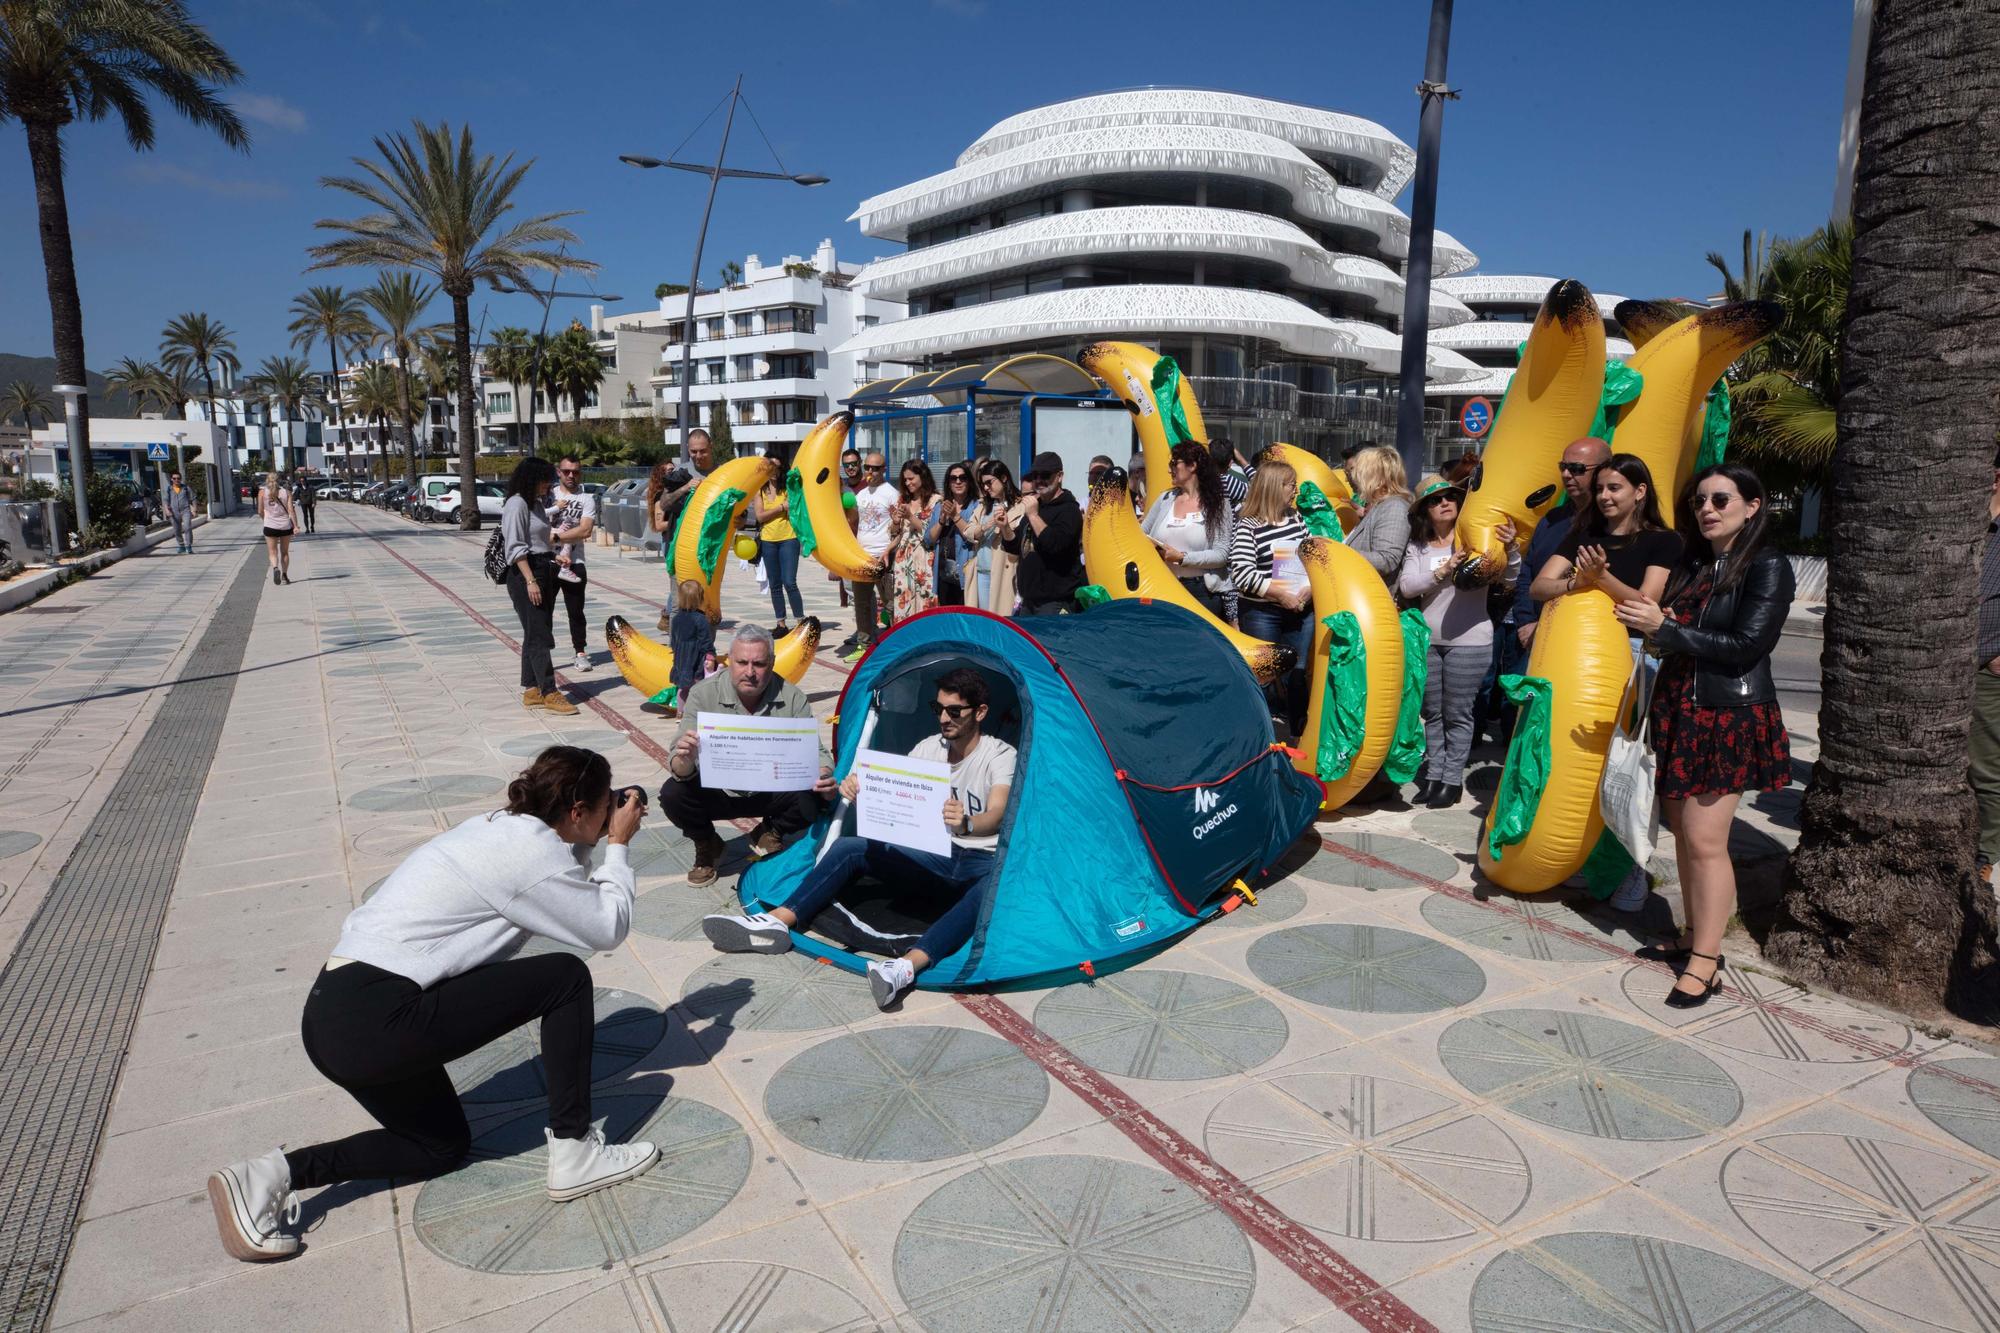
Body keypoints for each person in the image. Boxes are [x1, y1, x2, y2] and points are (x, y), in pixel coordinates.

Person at [205, 748, 657, 1262]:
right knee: (566, 978)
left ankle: (269, 1175)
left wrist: (598, 833)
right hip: (378, 1019)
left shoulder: (502, 828)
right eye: (603, 807)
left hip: (336, 1017)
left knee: (440, 1146)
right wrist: (617, 846)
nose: (610, 816)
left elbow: (558, 884)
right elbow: (604, 927)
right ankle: (576, 1152)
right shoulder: (530, 854)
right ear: (576, 811)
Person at [700, 667, 1014, 1010]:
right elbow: (898, 793)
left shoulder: (1000, 755)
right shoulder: (929, 748)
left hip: (979, 860)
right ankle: (777, 923)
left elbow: (996, 813)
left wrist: (967, 824)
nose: (943, 718)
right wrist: (863, 789)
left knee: (991, 885)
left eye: (954, 711)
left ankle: (905, 967)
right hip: (935, 857)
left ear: (980, 712)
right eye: (937, 708)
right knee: (851, 846)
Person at [1613, 464, 1793, 1008]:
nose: (1707, 509)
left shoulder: (1767, 566)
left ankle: (1708, 963)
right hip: (1679, 709)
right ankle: (1695, 935)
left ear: (1752, 505)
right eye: (1699, 502)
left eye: (1721, 500)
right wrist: (1661, 630)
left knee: (1708, 840)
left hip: (1727, 715)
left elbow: (1745, 645)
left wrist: (1665, 630)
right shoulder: (1696, 563)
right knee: (1685, 835)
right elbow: (1682, 640)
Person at [658, 624, 837, 885]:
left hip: (771, 790)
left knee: (821, 795)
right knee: (673, 794)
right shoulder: (702, 694)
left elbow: (817, 752)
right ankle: (707, 843)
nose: (750, 672)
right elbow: (677, 761)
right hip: (719, 791)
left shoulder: (793, 697)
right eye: (742, 663)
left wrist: (823, 773)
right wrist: (684, 759)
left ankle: (771, 831)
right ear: (730, 661)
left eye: (759, 664)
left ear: (772, 662)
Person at [1399, 477, 1517, 808]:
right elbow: (1408, 587)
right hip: (1429, 641)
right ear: (1425, 511)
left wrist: (1511, 549)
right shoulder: (1418, 547)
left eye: (1451, 497)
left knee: (1459, 713)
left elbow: (1508, 579)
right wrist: (1444, 570)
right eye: (1436, 501)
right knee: (1432, 712)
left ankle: (1451, 781)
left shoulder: (1479, 540)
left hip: (1470, 641)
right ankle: (1434, 776)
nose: (1445, 503)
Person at [1500, 438, 1612, 724]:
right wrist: (1526, 621)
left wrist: (1548, 623)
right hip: (1533, 636)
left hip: (1582, 644)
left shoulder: (1613, 526)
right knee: (1521, 719)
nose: (1566, 475)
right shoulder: (1552, 519)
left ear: (1603, 470)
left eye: (1576, 468)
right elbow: (1528, 575)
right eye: (1563, 467)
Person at [1529, 453, 1680, 614]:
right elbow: (1537, 588)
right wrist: (1576, 583)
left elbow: (1647, 602)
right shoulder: (1583, 535)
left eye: (1614, 488)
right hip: (1577, 632)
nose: (1604, 496)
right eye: (1599, 489)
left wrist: (1601, 577)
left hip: (1630, 637)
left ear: (1640, 491)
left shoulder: (1664, 540)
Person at [1229, 460, 1312, 735]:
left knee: (1297, 676)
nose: (1295, 490)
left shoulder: (1297, 518)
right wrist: (1279, 594)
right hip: (1262, 613)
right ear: (1275, 487)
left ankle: (1299, 736)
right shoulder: (1248, 525)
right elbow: (1241, 574)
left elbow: (1313, 560)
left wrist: (1308, 590)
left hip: (1300, 609)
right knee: (1263, 677)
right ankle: (1260, 735)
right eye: (1291, 484)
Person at [502, 457, 577, 716]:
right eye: (545, 479)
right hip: (526, 574)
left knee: (536, 631)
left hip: (543, 567)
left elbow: (537, 540)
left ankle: (532, 688)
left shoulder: (534, 504)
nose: (550, 485)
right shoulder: (517, 504)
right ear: (531, 478)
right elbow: (515, 547)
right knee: (539, 635)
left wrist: (553, 555)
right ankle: (548, 690)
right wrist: (530, 580)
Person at [1142, 441, 1233, 617]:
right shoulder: (1164, 499)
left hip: (1202, 593)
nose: (1170, 470)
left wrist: (1183, 558)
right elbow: (1142, 535)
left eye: (1174, 464)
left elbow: (1221, 554)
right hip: (1163, 588)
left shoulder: (1219, 504)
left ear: (1192, 465)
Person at [999, 452, 1084, 616]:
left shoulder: (1069, 509)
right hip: (1029, 601)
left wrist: (1033, 515)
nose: (1038, 480)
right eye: (1035, 475)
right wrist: (1005, 528)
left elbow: (1055, 545)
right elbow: (1016, 546)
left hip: (1055, 602)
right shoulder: (1037, 506)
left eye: (1045, 475)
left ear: (1059, 476)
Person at [651, 430, 714, 632]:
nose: (698, 456)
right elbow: (664, 503)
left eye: (702, 451)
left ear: (710, 447)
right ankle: (677, 652)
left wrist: (738, 520)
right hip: (679, 546)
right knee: (679, 604)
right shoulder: (680, 473)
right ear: (688, 449)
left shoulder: (722, 472)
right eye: (694, 451)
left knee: (708, 602)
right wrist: (685, 487)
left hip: (709, 548)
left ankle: (706, 654)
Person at [842, 452, 900, 660]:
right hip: (862, 556)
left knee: (890, 603)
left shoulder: (892, 494)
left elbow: (898, 526)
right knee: (862, 603)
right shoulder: (860, 495)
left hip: (884, 555)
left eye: (875, 468)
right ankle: (863, 645)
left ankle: (896, 644)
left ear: (884, 469)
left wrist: (889, 549)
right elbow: (853, 523)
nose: (870, 472)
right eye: (867, 467)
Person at [1974, 449, 2000, 882]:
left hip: (1986, 666)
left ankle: (1985, 856)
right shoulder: (1965, 523)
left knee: (1986, 766)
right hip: (1931, 665)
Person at [548, 456, 598, 674]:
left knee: (576, 611)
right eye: (567, 471)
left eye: (575, 472)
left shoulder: (587, 499)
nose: (571, 475)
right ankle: (543, 653)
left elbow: (585, 530)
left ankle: (580, 653)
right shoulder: (548, 495)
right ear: (558, 472)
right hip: (548, 562)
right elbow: (537, 522)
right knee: (543, 611)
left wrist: (556, 538)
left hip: (575, 562)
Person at [751, 443, 805, 635]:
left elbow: (796, 512)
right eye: (770, 467)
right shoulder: (760, 489)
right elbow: (760, 516)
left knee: (789, 581)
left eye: (777, 467)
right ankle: (781, 623)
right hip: (768, 540)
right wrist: (781, 508)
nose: (773, 471)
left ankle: (800, 621)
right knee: (774, 583)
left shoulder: (788, 487)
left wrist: (777, 511)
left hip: (789, 538)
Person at [1343, 446, 1414, 584]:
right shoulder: (1380, 506)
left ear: (1373, 476)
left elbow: (1386, 559)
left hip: (1376, 598)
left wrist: (1339, 554)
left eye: (1357, 472)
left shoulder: (1394, 507)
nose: (1351, 478)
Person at [961, 460, 1020, 613]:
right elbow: (968, 531)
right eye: (983, 485)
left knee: (1003, 621)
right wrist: (987, 525)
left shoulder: (1021, 506)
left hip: (1005, 574)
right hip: (982, 572)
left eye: (989, 482)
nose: (986, 488)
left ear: (1004, 478)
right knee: (984, 623)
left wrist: (1004, 526)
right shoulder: (983, 507)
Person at [890, 459, 939, 620]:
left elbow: (929, 532)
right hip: (903, 559)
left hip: (925, 556)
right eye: (905, 479)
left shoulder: (935, 501)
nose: (908, 483)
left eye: (911, 478)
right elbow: (895, 534)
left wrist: (910, 516)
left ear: (922, 476)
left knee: (925, 599)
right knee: (903, 600)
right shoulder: (903, 501)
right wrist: (896, 522)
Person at [925, 462, 977, 607]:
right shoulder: (940, 506)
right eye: (953, 478)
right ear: (948, 483)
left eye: (962, 478)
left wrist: (955, 516)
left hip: (965, 573)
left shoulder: (976, 506)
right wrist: (941, 520)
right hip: (944, 574)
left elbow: (973, 536)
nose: (958, 481)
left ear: (969, 481)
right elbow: (929, 540)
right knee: (948, 618)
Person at [667, 578, 715, 716]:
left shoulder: (676, 619)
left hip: (681, 658)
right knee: (698, 687)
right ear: (700, 598)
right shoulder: (701, 619)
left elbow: (674, 640)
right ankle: (696, 712)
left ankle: (680, 712)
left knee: (682, 688)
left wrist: (676, 654)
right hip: (696, 659)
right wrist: (710, 656)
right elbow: (706, 641)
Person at [258, 472, 297, 586]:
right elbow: (291, 511)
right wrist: (296, 526)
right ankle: (284, 575)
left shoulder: (262, 493)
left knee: (272, 551)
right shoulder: (286, 492)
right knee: (284, 552)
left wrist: (265, 519)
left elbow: (260, 511)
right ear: (279, 480)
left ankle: (275, 568)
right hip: (285, 526)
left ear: (267, 480)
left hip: (270, 526)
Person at [166, 470, 195, 554]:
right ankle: (181, 545)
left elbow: (193, 498)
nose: (176, 480)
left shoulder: (186, 488)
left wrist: (194, 509)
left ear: (181, 479)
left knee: (187, 527)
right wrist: (167, 510)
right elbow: (165, 501)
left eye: (178, 478)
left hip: (185, 510)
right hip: (173, 512)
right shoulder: (169, 489)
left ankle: (189, 546)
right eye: (174, 478)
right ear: (171, 479)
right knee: (177, 529)